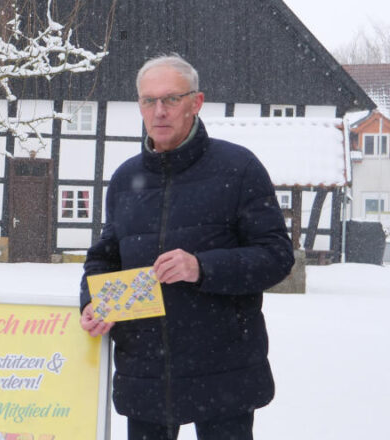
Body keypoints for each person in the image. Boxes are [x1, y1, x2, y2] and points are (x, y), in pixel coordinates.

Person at [79, 54, 294, 440]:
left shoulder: (239, 168)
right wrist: (93, 302)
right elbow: (104, 257)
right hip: (145, 371)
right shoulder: (126, 178)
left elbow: (276, 257)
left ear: (196, 102)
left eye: (171, 99)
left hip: (223, 372)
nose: (159, 111)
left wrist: (202, 267)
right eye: (148, 101)